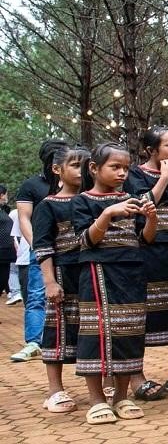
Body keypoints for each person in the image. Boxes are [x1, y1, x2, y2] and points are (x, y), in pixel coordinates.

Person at [72, 142, 158, 424]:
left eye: (125, 167)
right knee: (96, 333)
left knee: (129, 333)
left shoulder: (132, 198)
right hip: (98, 273)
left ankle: (122, 396)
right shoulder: (82, 201)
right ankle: (97, 399)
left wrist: (151, 218)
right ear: (94, 168)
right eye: (115, 167)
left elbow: (145, 239)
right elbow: (86, 240)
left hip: (132, 272)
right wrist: (108, 213)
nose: (122, 173)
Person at [123, 126, 168, 400]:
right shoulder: (134, 174)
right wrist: (164, 178)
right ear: (151, 150)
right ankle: (136, 376)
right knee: (141, 313)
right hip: (145, 250)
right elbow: (142, 204)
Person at [32, 146, 89, 413]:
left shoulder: (91, 200)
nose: (81, 171)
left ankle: (105, 382)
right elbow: (42, 246)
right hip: (63, 274)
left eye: (85, 165)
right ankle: (55, 390)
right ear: (58, 170)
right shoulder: (48, 205)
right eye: (75, 165)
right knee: (57, 328)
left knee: (94, 327)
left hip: (90, 273)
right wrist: (49, 282)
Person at [11, 139, 67, 362]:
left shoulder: (74, 182)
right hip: (41, 248)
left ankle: (69, 340)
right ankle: (34, 342)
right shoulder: (32, 185)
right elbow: (25, 218)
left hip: (69, 246)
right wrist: (38, 245)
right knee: (36, 295)